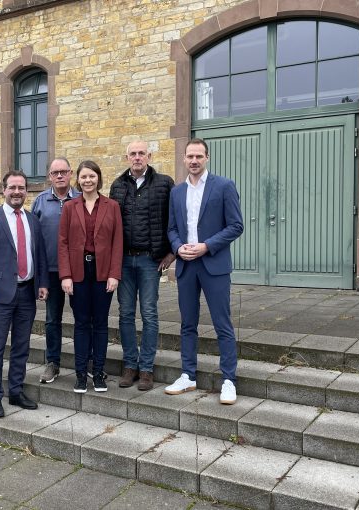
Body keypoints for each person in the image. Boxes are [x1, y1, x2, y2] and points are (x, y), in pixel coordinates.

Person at [165, 138, 244, 404]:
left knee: (223, 324)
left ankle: (229, 380)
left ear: (207, 158)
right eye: (190, 156)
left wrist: (206, 246)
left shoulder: (223, 186)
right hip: (186, 266)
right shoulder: (176, 192)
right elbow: (172, 229)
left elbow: (236, 226)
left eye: (199, 156)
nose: (194, 161)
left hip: (214, 264)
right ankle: (188, 374)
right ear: (184, 159)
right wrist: (178, 248)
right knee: (188, 324)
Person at [0, 170, 49, 418]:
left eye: (21, 188)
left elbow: (40, 255)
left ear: (26, 191)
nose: (17, 192)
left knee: (21, 346)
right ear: (4, 190)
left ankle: (16, 390)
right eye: (12, 187)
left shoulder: (32, 220)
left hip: (27, 293)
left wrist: (42, 283)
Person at [109, 140, 175, 391]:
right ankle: (130, 366)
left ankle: (146, 368)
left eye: (141, 153)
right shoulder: (117, 186)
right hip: (124, 260)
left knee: (149, 313)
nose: (137, 158)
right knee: (125, 313)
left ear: (148, 156)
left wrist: (171, 253)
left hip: (150, 260)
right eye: (132, 154)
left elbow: (174, 218)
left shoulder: (164, 183)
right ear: (127, 158)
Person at [58, 161, 123, 393]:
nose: (88, 181)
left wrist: (114, 274)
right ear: (78, 180)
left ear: (98, 178)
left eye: (92, 176)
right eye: (84, 177)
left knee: (101, 323)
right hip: (77, 272)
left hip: (103, 272)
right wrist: (65, 275)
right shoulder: (69, 207)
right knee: (82, 323)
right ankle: (80, 374)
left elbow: (118, 243)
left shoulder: (112, 206)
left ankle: (98, 373)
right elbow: (63, 242)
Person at [31, 158, 79, 383]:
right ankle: (53, 362)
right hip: (50, 271)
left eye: (63, 172)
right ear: (49, 176)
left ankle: (85, 361)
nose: (59, 176)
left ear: (71, 173)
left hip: (79, 270)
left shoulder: (82, 198)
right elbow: (33, 241)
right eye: (55, 173)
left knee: (83, 318)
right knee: (52, 319)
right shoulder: (40, 202)